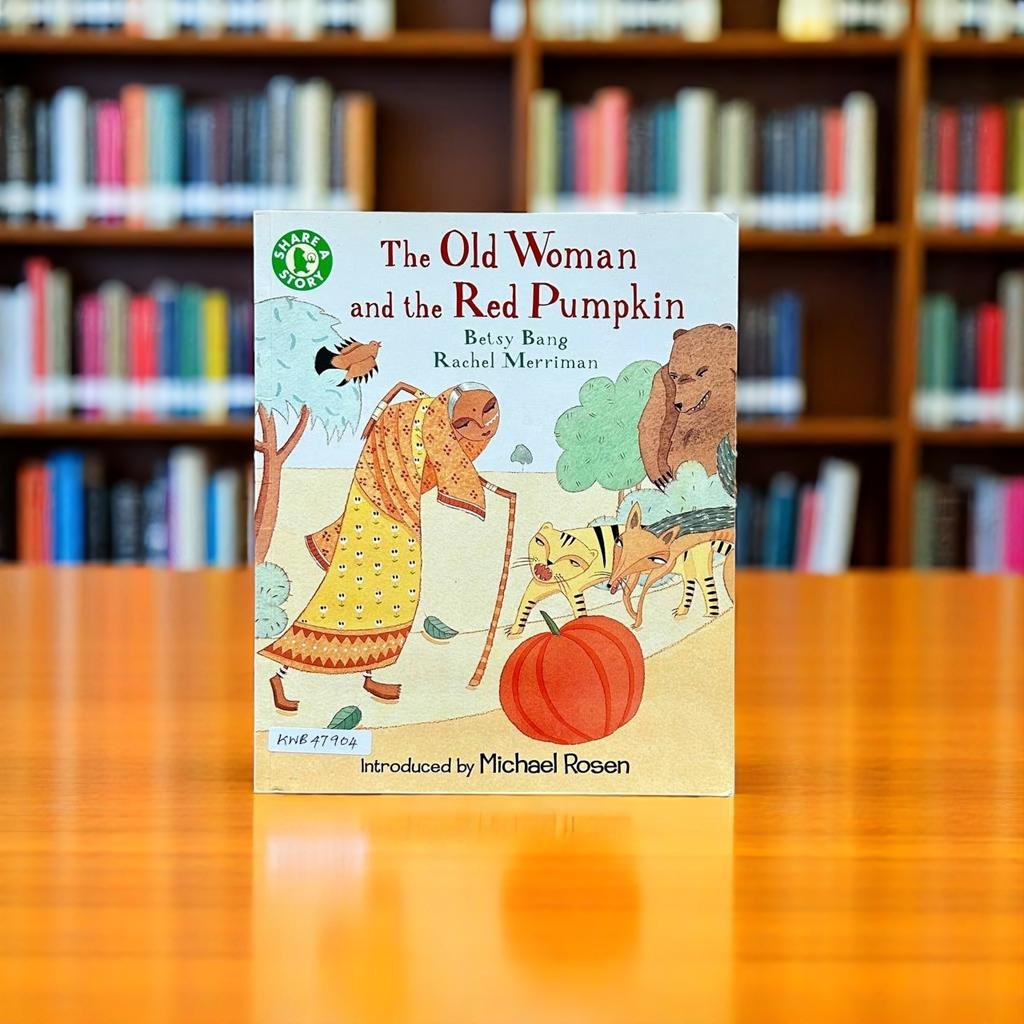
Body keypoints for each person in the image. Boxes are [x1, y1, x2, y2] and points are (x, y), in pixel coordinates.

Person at [261, 381, 500, 707]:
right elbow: (444, 463)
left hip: (399, 516)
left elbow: (440, 465)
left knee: (392, 596)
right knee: (345, 593)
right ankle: (281, 674)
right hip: (377, 512)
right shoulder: (422, 421)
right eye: (467, 422)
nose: (480, 426)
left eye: (486, 416)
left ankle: (368, 674)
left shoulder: (433, 423)